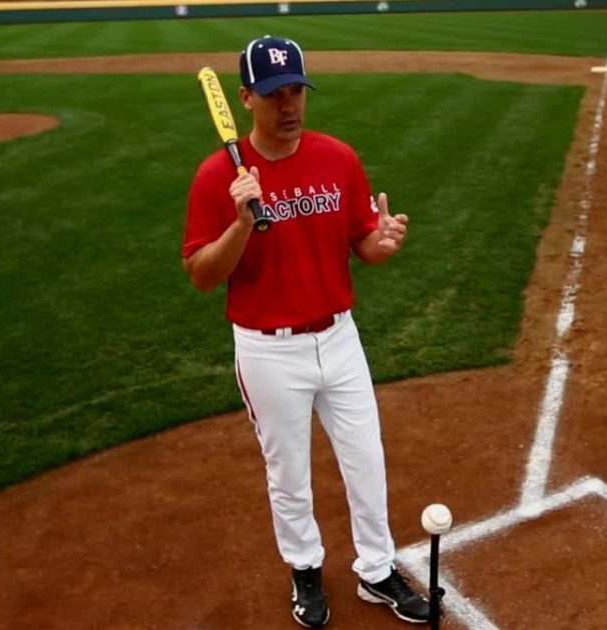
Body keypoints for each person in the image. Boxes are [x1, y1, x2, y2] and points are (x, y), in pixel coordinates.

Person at [180, 36, 430, 628]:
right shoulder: (218, 175)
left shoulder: (337, 158)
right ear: (245, 99)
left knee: (366, 460)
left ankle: (376, 570)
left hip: (340, 339)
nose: (289, 104)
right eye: (273, 94)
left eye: (296, 90)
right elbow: (200, 275)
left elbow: (362, 244)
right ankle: (306, 571)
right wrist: (241, 223)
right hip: (269, 351)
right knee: (289, 474)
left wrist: (382, 242)